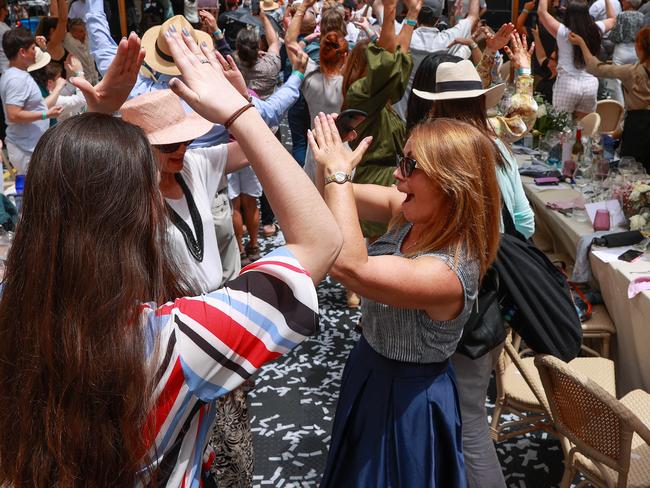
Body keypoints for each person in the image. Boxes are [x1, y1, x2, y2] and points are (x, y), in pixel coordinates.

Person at [0, 29, 343, 487]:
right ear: (138, 216)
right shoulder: (175, 340)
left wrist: (96, 123)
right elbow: (320, 240)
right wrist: (241, 111)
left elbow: (58, 209)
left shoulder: (15, 315)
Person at [309, 112, 501, 488]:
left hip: (409, 402)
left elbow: (350, 267)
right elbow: (329, 197)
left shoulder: (448, 272)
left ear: (451, 183)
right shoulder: (412, 215)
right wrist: (331, 165)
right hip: (368, 371)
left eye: (410, 165)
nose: (397, 174)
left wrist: (339, 172)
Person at [407, 34, 536, 488]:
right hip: (485, 305)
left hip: (450, 306)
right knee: (466, 419)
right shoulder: (494, 147)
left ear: (434, 106)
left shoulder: (438, 155)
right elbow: (524, 224)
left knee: (465, 426)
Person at [569, 27, 650, 172]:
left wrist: (582, 43)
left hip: (638, 127)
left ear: (640, 48)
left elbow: (596, 68)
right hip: (637, 124)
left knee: (631, 172)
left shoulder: (633, 72)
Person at [394, 0, 480, 119]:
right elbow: (473, 16)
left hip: (400, 116)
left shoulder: (401, 35)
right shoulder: (448, 39)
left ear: (417, 15)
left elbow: (382, 8)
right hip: (432, 118)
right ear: (438, 20)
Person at [537, 0, 616, 118]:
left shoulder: (563, 32)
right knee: (584, 128)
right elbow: (613, 19)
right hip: (590, 83)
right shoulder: (596, 29)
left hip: (567, 83)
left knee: (561, 127)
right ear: (587, 14)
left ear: (568, 15)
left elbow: (541, 12)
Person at [0, 28, 62, 173]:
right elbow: (13, 115)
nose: (36, 52)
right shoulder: (16, 79)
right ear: (22, 52)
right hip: (27, 149)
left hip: (29, 147)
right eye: (33, 48)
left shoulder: (14, 73)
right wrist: (46, 114)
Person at [608, 0, 645, 103]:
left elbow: (615, 36)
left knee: (617, 80)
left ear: (629, 3)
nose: (622, 2)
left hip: (621, 50)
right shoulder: (642, 16)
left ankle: (621, 108)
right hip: (636, 50)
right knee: (633, 80)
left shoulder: (621, 16)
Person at [35, 0, 69, 76]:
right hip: (58, 86)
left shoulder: (50, 44)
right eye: (63, 28)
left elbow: (55, 14)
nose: (66, 31)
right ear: (52, 31)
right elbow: (63, 19)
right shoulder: (53, 44)